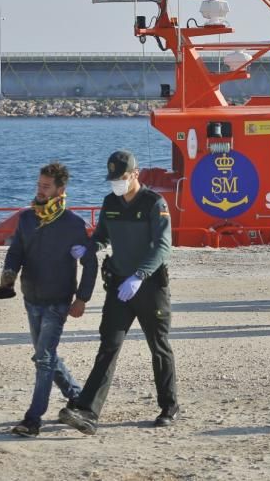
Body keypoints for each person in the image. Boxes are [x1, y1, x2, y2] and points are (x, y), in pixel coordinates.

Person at [59, 150, 178, 435]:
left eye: (122, 178)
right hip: (119, 287)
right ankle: (88, 411)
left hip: (148, 287)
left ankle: (169, 407)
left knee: (159, 347)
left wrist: (139, 275)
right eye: (113, 179)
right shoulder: (110, 202)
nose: (117, 183)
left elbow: (162, 247)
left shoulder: (154, 203)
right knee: (108, 347)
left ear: (136, 175)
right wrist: (89, 247)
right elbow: (102, 236)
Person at [0, 162, 97, 437]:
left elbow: (91, 263)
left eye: (46, 187)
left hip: (58, 301)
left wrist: (82, 298)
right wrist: (8, 277)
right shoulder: (27, 218)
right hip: (31, 297)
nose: (40, 190)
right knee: (44, 355)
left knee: (43, 358)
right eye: (39, 185)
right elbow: (16, 251)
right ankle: (78, 396)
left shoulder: (74, 224)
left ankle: (33, 419)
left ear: (60, 189)